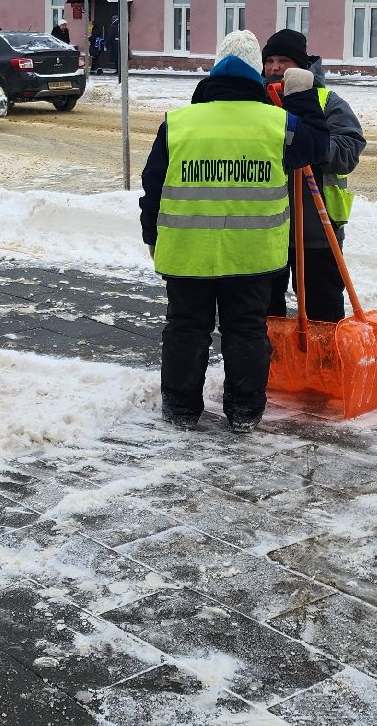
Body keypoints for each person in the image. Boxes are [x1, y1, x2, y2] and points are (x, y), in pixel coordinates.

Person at [139, 29, 329, 434]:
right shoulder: (278, 124)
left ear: (214, 71)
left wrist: (151, 235)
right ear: (256, 76)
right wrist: (302, 97)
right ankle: (244, 412)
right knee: (246, 330)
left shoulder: (178, 124)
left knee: (186, 328)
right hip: (254, 255)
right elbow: (317, 146)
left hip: (186, 253)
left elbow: (152, 187)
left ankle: (180, 407)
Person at [260, 28, 367, 322]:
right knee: (265, 317)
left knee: (324, 317)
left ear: (302, 66)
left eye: (284, 60)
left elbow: (350, 149)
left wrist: (316, 147)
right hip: (265, 231)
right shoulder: (256, 102)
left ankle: (325, 368)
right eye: (270, 60)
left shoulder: (326, 101)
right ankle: (275, 369)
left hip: (319, 232)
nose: (275, 67)